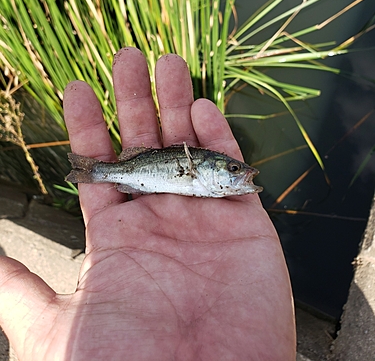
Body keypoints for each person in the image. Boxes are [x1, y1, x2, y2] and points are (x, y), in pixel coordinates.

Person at [0, 47, 296, 360]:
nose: (241, 173)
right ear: (206, 168)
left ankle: (96, 172)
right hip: (131, 173)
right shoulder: (201, 175)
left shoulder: (212, 182)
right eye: (234, 169)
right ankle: (94, 171)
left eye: (236, 169)